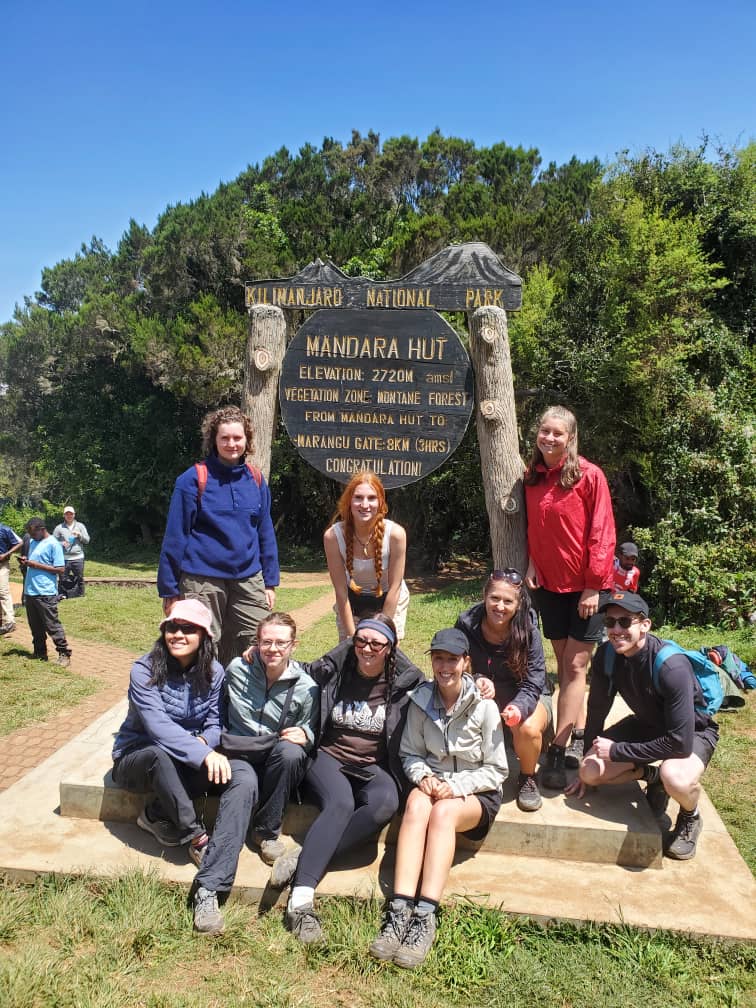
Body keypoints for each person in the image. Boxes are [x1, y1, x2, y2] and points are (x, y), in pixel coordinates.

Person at [271, 614, 424, 945]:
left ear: (390, 647)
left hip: (373, 764)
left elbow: (444, 690)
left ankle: (303, 857)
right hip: (329, 757)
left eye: (376, 643)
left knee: (385, 803)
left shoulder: (406, 682)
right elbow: (294, 670)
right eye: (360, 641)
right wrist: (258, 656)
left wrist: (478, 685)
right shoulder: (336, 670)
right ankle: (300, 903)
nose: (367, 648)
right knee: (340, 802)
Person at [112, 598, 257, 935]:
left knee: (244, 775)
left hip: (187, 756)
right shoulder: (144, 669)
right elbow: (157, 726)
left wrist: (206, 743)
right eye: (171, 627)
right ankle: (195, 837)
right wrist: (202, 753)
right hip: (138, 757)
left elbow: (214, 720)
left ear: (204, 636)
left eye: (187, 628)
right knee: (161, 755)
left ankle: (205, 877)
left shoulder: (215, 672)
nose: (177, 634)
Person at [369, 628, 507, 969]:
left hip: (475, 793)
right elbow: (410, 753)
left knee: (443, 813)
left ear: (465, 663)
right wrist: (424, 777)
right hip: (433, 785)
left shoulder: (485, 707)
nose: (444, 666)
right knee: (416, 804)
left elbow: (497, 769)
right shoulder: (420, 701)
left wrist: (457, 786)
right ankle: (400, 910)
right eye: (438, 658)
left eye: (452, 659)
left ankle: (425, 915)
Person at [565, 591, 719, 861]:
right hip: (647, 725)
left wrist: (618, 752)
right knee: (589, 771)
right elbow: (598, 710)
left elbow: (679, 743)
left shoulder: (672, 667)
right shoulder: (607, 656)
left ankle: (689, 817)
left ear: (645, 625)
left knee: (677, 777)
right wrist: (590, 751)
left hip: (692, 732)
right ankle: (653, 777)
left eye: (625, 622)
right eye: (609, 622)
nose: (615, 630)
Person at [524, 405, 615, 790]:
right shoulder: (532, 478)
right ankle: (577, 731)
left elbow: (602, 530)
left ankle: (557, 752)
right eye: (545, 431)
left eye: (558, 433)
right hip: (548, 586)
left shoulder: (589, 476)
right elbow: (534, 527)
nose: (550, 438)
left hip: (586, 589)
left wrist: (593, 586)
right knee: (563, 662)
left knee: (575, 668)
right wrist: (531, 563)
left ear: (571, 438)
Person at [158, 405, 280, 666]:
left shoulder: (256, 479)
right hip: (202, 580)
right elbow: (175, 536)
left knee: (263, 641)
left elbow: (265, 532)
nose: (231, 444)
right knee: (201, 649)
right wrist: (169, 589)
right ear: (213, 440)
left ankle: (245, 703)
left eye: (237, 437)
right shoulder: (193, 479)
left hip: (248, 578)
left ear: (247, 440)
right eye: (224, 438)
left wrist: (270, 582)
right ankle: (201, 704)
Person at [223, 612, 318, 866]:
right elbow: (219, 708)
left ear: (293, 645)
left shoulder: (305, 686)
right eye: (266, 642)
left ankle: (265, 832)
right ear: (257, 642)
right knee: (244, 782)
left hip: (274, 755)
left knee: (292, 753)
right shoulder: (237, 670)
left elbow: (310, 726)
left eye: (281, 643)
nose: (272, 649)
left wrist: (306, 735)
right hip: (239, 750)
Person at [456, 569, 553, 812]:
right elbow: (453, 662)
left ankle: (527, 777)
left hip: (528, 694)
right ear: (484, 597)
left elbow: (535, 680)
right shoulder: (467, 623)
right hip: (485, 693)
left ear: (519, 604)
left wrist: (519, 707)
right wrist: (476, 678)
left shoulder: (529, 629)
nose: (500, 606)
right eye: (495, 599)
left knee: (527, 728)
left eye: (508, 601)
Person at [323, 471, 409, 640]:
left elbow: (395, 588)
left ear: (381, 502)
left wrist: (383, 631)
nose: (365, 504)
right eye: (358, 498)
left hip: (388, 599)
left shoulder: (396, 535)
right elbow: (341, 592)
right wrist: (350, 636)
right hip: (351, 600)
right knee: (352, 652)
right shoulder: (332, 537)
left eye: (371, 498)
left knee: (384, 649)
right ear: (349, 502)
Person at [18, 517, 72, 666]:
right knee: (35, 627)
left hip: (45, 592)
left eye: (33, 533)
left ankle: (64, 654)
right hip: (30, 591)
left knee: (52, 625)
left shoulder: (54, 544)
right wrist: (26, 561)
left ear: (42, 529)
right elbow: (33, 561)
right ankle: (40, 653)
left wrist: (35, 565)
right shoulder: (34, 542)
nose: (31, 536)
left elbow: (60, 569)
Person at [53, 505, 90, 599]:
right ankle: (62, 595)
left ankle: (81, 594)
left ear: (74, 515)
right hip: (64, 557)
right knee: (63, 578)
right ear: (64, 515)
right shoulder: (59, 528)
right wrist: (61, 543)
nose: (69, 516)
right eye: (67, 514)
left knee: (79, 577)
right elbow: (52, 542)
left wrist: (79, 535)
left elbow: (87, 540)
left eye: (71, 514)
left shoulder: (80, 526)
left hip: (78, 557)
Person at [0, 520, 23, 634]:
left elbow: (20, 542)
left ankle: (10, 621)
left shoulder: (5, 529)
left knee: (3, 592)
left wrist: (7, 554)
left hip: (2, 565)